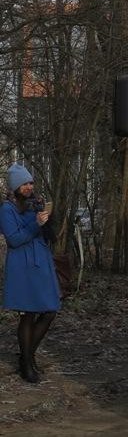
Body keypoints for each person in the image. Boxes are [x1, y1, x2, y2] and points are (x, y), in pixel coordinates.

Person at [1, 163, 60, 384]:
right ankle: (26, 364)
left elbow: (49, 235)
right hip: (22, 266)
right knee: (28, 314)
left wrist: (48, 219)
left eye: (30, 182)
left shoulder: (36, 203)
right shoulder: (7, 209)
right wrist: (36, 224)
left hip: (42, 263)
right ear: (15, 187)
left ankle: (26, 356)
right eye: (24, 184)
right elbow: (14, 240)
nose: (29, 187)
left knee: (50, 311)